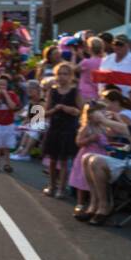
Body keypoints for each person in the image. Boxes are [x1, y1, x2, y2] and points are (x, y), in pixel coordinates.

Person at [42, 61, 82, 198]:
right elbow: (44, 113)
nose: (61, 77)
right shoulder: (52, 91)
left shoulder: (75, 91)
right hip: (54, 127)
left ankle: (62, 188)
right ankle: (51, 185)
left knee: (64, 160)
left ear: (70, 76)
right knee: (53, 160)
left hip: (68, 128)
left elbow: (81, 111)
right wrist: (54, 109)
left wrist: (69, 109)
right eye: (59, 73)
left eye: (65, 74)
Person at [70, 103, 109, 216]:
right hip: (86, 156)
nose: (104, 116)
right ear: (91, 115)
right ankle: (80, 203)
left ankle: (95, 203)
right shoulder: (87, 128)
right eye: (101, 113)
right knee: (83, 181)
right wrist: (90, 139)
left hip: (100, 155)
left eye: (104, 113)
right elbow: (78, 142)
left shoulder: (103, 128)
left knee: (95, 182)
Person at [11, 80, 44, 159]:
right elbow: (29, 117)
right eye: (28, 88)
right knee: (26, 127)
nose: (29, 90)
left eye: (31, 88)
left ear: (37, 90)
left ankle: (26, 153)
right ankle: (20, 150)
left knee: (34, 127)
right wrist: (24, 123)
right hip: (35, 122)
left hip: (44, 123)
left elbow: (39, 118)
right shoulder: (31, 101)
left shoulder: (42, 101)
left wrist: (27, 122)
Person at [77, 35, 105, 103]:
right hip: (100, 93)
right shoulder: (105, 61)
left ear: (89, 48)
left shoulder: (86, 62)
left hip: (85, 93)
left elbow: (73, 69)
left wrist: (75, 55)